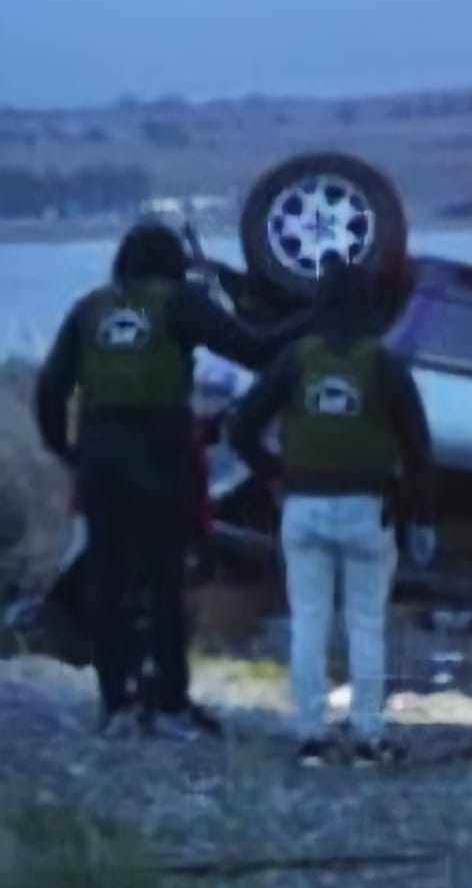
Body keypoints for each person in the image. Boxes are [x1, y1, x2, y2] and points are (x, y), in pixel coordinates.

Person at [33, 222, 302, 740]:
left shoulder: (89, 308)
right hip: (160, 452)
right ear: (173, 262)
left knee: (107, 582)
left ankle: (116, 706)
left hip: (100, 453)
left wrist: (65, 451)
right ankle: (171, 702)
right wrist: (306, 321)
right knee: (163, 581)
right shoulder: (179, 302)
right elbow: (251, 349)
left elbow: (50, 389)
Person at [227, 255, 435, 768]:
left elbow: (242, 425)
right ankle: (368, 736)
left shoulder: (297, 357)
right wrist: (416, 515)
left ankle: (311, 737)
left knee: (308, 622)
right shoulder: (384, 363)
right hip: (367, 509)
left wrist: (274, 472)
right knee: (366, 624)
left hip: (302, 506)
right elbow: (418, 449)